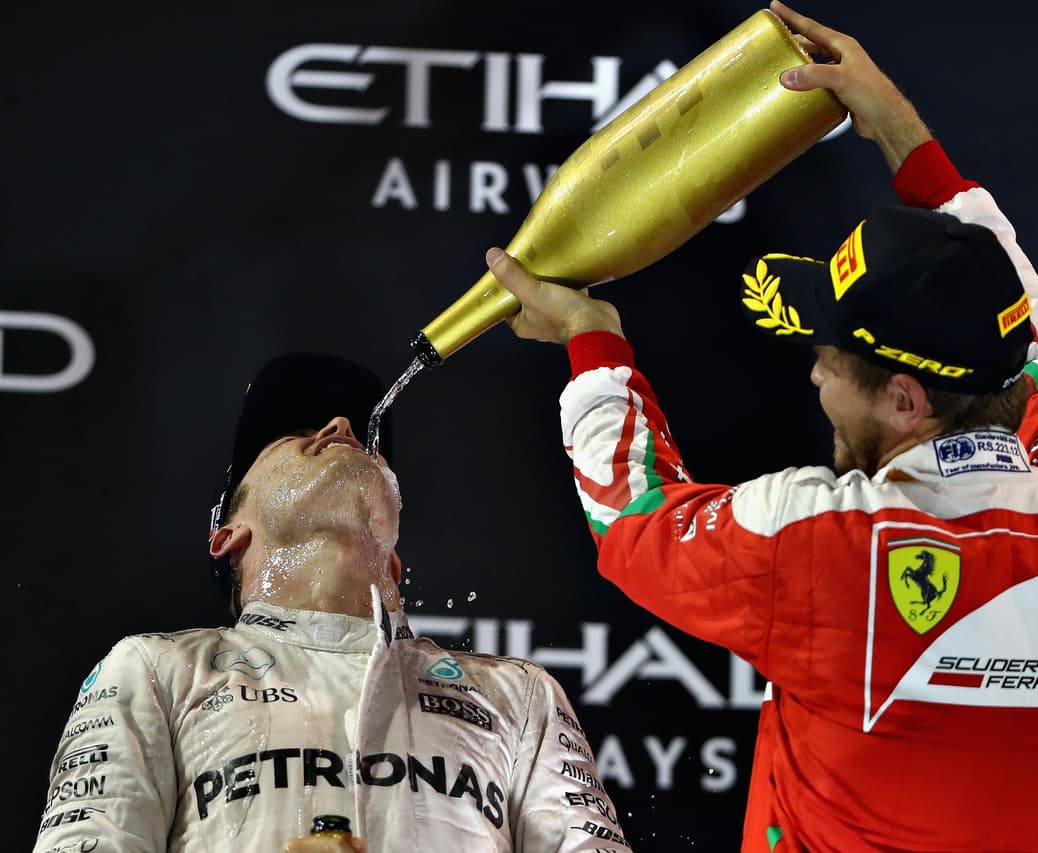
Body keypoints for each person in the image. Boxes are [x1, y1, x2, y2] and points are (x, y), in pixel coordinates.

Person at [488, 2, 1038, 851]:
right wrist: (905, 135)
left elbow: (635, 522)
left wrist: (593, 342)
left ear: (904, 399)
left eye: (831, 360)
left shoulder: (822, 546)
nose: (811, 373)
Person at [34, 352, 628, 853]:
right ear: (229, 537)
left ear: (394, 561)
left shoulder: (519, 695)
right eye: (293, 440)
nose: (340, 425)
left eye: (355, 436)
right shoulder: (155, 670)